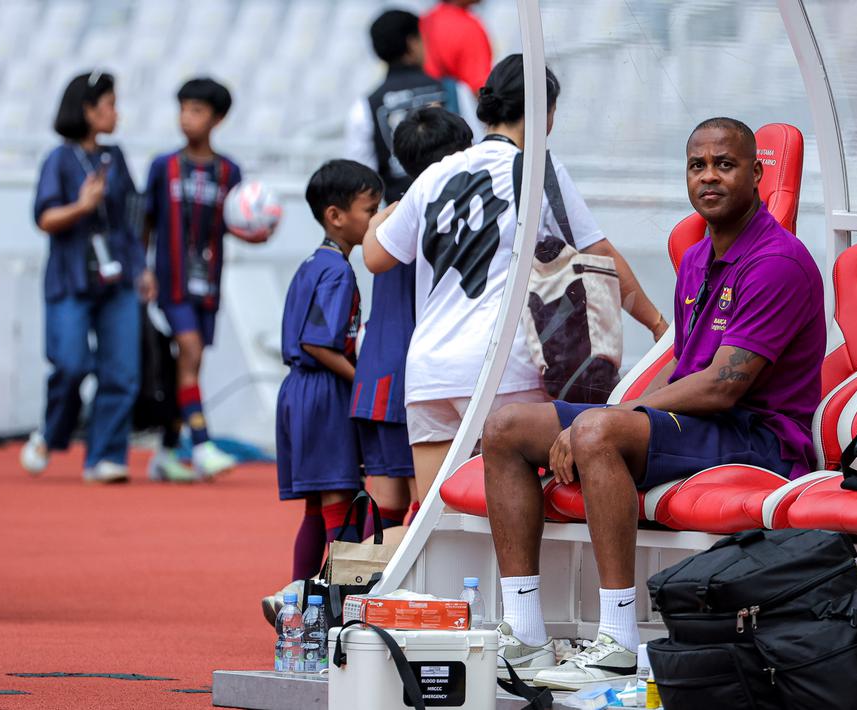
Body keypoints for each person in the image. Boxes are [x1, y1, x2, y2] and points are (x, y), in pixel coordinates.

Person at [480, 118, 827, 689]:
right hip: (699, 425)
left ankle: (617, 640)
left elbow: (723, 386)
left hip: (759, 439)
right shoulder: (694, 259)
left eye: (725, 164)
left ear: (757, 175)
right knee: (506, 426)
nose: (709, 177)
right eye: (698, 166)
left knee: (596, 433)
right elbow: (692, 373)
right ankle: (525, 636)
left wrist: (621, 414)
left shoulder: (778, 262)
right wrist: (626, 413)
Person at [363, 54, 665, 511]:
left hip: (429, 370)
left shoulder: (436, 174)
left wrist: (383, 214)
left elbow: (377, 256)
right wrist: (658, 324)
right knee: (517, 510)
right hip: (502, 365)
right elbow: (598, 254)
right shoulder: (537, 167)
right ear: (543, 109)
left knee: (435, 519)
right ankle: (522, 588)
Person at [20, 71, 151, 484]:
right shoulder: (58, 160)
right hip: (70, 278)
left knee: (122, 371)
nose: (116, 112)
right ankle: (51, 431)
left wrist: (142, 267)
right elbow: (44, 218)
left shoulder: (117, 156)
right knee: (71, 364)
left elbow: (132, 219)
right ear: (87, 110)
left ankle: (106, 456)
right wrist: (80, 206)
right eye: (109, 104)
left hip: (118, 279)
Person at [353, 107, 476, 539]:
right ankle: (354, 589)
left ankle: (346, 591)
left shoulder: (394, 213)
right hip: (411, 376)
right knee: (415, 505)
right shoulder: (433, 209)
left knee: (389, 500)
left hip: (382, 373)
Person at [141, 77, 268, 482]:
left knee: (188, 365)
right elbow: (146, 222)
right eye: (183, 109)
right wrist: (144, 270)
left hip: (207, 284)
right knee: (190, 352)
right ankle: (201, 446)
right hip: (172, 281)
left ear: (217, 118)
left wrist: (257, 230)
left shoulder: (229, 171)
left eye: (196, 110)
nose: (186, 118)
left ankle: (164, 452)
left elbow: (237, 223)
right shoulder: (164, 166)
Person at [277, 160, 382, 581]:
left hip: (299, 391)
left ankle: (298, 600)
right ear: (335, 216)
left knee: (317, 507)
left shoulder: (312, 263)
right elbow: (317, 343)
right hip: (323, 391)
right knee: (340, 499)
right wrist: (364, 382)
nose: (376, 219)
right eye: (370, 210)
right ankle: (331, 607)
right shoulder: (338, 269)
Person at [345, 9, 445, 204]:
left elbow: (360, 176)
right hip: (460, 216)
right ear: (412, 43)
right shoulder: (451, 89)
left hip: (401, 218)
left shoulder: (366, 105)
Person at [421, 0, 492, 112]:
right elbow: (480, 90)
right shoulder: (468, 27)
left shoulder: (426, 20)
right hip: (459, 117)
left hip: (427, 111)